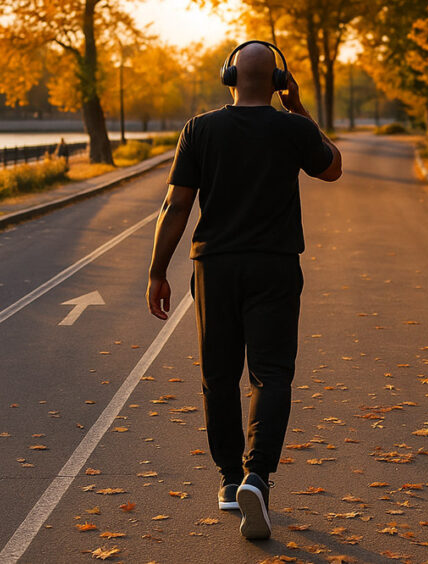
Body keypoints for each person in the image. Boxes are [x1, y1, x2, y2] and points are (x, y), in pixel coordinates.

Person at [145, 40, 341, 540]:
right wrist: (298, 108)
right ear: (278, 81)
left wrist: (157, 271)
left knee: (219, 376)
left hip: (215, 267)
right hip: (275, 266)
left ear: (228, 76)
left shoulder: (199, 129)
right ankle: (259, 476)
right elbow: (332, 166)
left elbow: (176, 206)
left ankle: (231, 480)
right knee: (271, 375)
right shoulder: (294, 128)